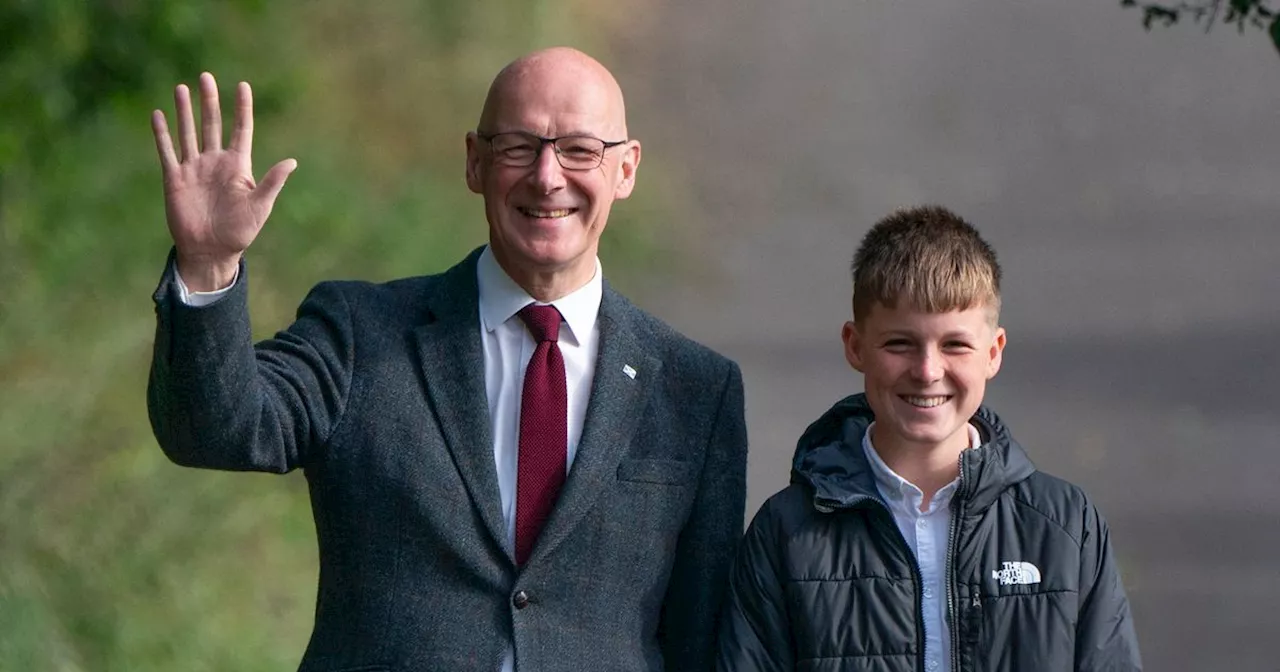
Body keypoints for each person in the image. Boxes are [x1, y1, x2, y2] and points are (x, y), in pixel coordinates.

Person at [147, 47, 747, 672]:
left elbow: (700, 635)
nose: (547, 176)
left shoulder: (694, 389)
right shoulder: (360, 335)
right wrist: (209, 267)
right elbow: (214, 432)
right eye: (518, 146)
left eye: (579, 150)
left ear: (625, 170)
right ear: (474, 162)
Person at [715, 206, 1141, 671]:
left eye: (955, 345)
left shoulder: (1065, 526)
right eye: (899, 344)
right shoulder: (787, 532)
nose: (927, 371)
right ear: (855, 346)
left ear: (993, 352)